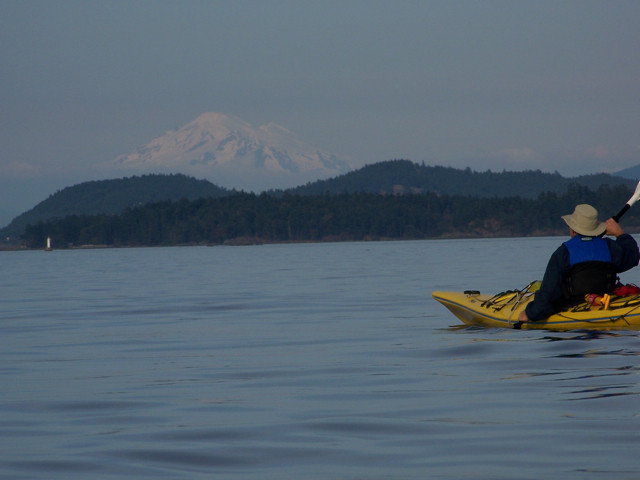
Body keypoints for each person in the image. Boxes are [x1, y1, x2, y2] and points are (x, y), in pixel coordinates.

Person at [518, 204, 639, 323]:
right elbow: (633, 257)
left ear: (572, 230)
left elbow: (549, 292)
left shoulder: (563, 252)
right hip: (606, 301)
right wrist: (620, 234)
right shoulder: (610, 246)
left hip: (572, 306)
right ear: (596, 228)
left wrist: (530, 313)